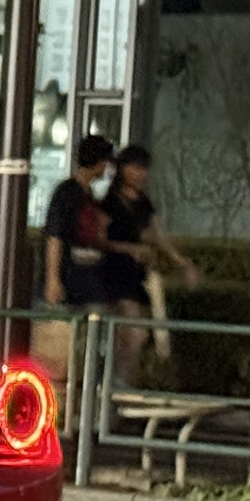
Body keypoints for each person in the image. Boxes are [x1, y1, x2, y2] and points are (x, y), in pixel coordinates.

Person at [97, 142, 200, 383]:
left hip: (135, 276)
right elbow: (99, 240)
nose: (141, 174)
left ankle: (115, 382)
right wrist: (129, 248)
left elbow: (159, 236)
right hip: (113, 274)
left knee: (129, 335)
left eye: (144, 169)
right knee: (134, 333)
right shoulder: (110, 203)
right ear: (123, 169)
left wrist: (183, 262)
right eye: (135, 168)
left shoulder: (143, 203)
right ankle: (115, 383)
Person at [36, 134, 114, 386]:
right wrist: (53, 278)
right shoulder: (68, 194)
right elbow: (55, 237)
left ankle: (79, 392)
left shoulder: (86, 194)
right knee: (61, 348)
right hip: (70, 278)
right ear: (98, 162)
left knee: (81, 345)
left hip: (86, 280)